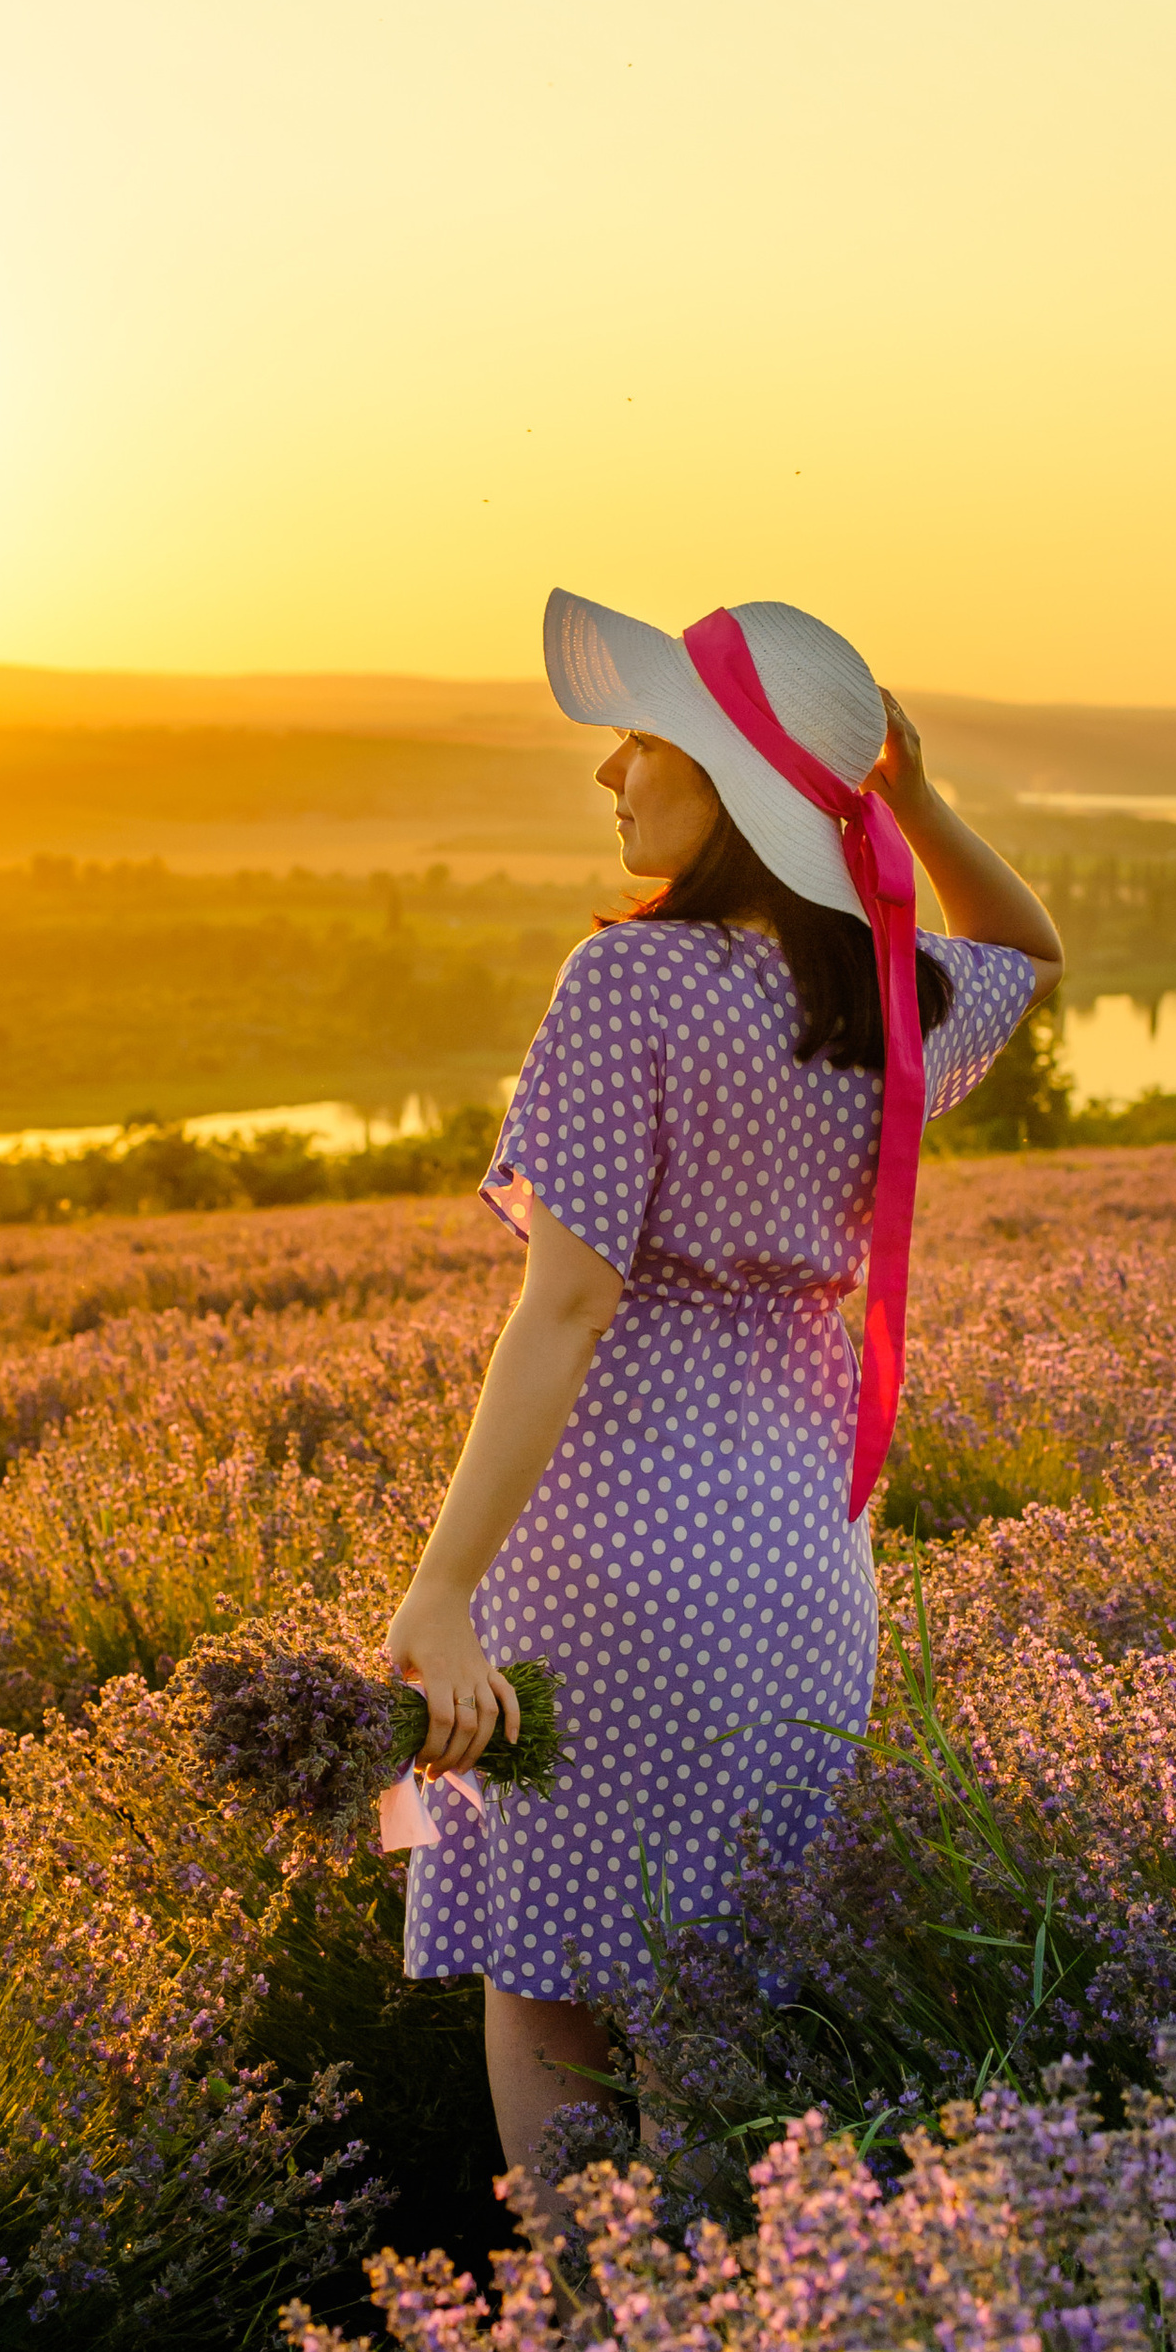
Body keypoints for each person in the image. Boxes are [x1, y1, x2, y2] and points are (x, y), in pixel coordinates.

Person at [385, 588, 1063, 2186]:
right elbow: (1030, 950)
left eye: (644, 740)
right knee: (723, 1969)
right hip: (802, 1552)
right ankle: (731, 2313)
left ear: (733, 783)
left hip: (611, 1545)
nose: (609, 771)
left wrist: (442, 1590)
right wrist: (914, 802)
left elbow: (569, 1306)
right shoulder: (891, 991)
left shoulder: (629, 982)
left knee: (550, 1970)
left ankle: (592, 2312)